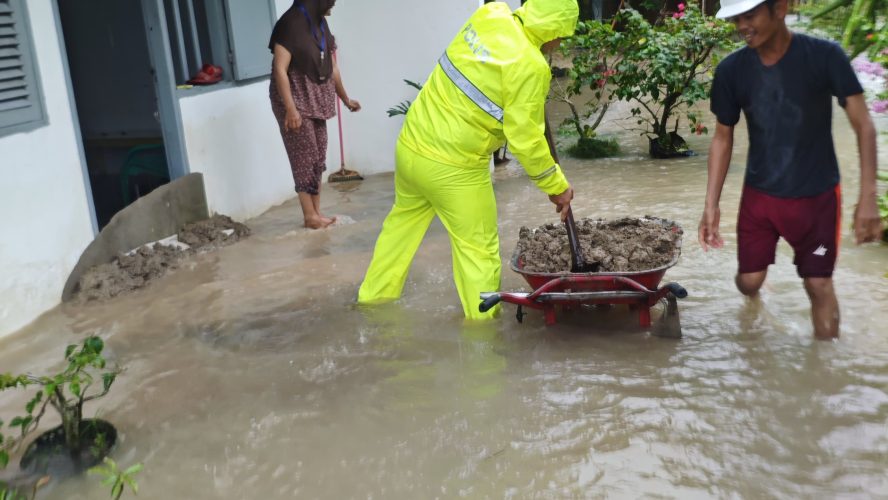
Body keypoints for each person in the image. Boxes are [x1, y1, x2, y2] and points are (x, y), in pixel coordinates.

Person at [357, 0, 579, 320]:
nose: (561, 44)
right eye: (563, 36)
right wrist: (556, 185)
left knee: (398, 232)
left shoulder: (490, 14)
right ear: (554, 31)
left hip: (411, 146)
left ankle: (371, 302)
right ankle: (483, 335)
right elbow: (526, 139)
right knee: (478, 251)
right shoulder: (530, 65)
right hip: (455, 167)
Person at [698, 0, 883, 339]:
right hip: (760, 199)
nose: (741, 26)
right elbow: (722, 138)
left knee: (819, 284)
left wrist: (868, 198)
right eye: (737, 18)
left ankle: (823, 375)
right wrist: (711, 204)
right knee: (749, 281)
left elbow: (864, 126)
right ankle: (755, 302)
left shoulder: (825, 56)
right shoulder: (731, 71)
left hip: (818, 201)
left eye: (750, 15)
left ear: (780, 8)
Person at [269, 0, 360, 229]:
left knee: (318, 154)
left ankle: (317, 212)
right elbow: (279, 69)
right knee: (304, 155)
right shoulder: (289, 24)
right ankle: (309, 216)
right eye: (330, 1)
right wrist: (291, 110)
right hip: (294, 99)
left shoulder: (320, 25)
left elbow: (332, 67)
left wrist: (345, 98)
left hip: (316, 100)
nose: (333, 5)